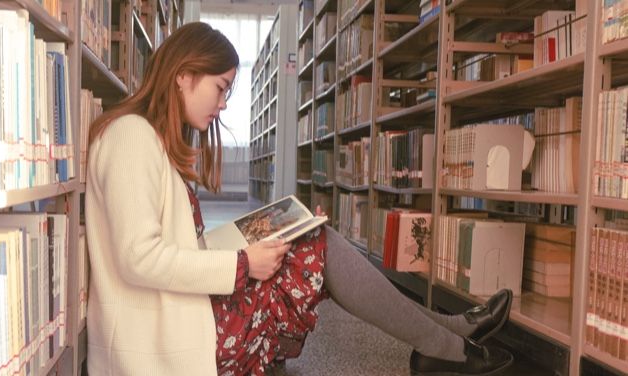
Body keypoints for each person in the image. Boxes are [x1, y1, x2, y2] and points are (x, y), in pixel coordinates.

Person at [85, 22, 515, 376]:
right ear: (183, 74)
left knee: (307, 236)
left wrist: (258, 235)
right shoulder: (131, 137)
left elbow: (173, 248)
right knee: (317, 246)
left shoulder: (149, 137)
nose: (222, 104)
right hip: (165, 341)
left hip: (182, 317)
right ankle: (447, 342)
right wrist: (243, 263)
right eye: (220, 88)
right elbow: (138, 258)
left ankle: (448, 335)